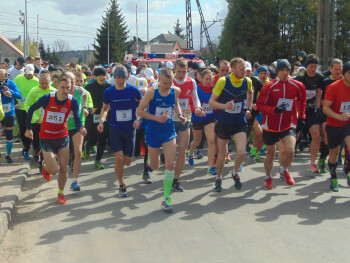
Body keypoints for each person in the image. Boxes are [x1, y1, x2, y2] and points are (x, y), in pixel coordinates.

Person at [25, 74, 86, 204]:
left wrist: (81, 128)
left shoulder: (72, 101)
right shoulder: (47, 98)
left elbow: (76, 117)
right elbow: (30, 109)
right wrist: (28, 128)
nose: (65, 91)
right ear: (57, 86)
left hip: (62, 137)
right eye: (63, 87)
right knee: (54, 170)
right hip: (46, 137)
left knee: (64, 168)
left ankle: (60, 193)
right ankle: (46, 166)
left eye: (68, 88)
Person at [137, 68, 186, 212]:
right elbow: (139, 111)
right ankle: (148, 166)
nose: (168, 86)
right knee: (156, 165)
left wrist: (180, 115)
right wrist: (156, 118)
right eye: (165, 83)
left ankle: (166, 198)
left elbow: (175, 104)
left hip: (168, 130)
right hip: (153, 131)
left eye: (170, 83)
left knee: (170, 163)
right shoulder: (152, 92)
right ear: (159, 79)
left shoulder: (175, 91)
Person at [256, 59, 306, 189]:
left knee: (290, 150)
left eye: (287, 70)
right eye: (282, 70)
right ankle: (268, 177)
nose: (285, 73)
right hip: (270, 125)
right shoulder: (269, 86)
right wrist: (274, 110)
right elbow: (260, 106)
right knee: (270, 154)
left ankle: (284, 169)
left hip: (288, 124)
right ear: (278, 71)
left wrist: (301, 117)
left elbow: (302, 102)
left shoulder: (297, 85)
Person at [209, 57, 253, 192]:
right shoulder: (223, 81)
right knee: (222, 154)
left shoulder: (247, 81)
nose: (244, 71)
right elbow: (211, 102)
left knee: (241, 151)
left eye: (245, 69)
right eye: (241, 69)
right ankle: (219, 177)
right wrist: (225, 106)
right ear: (233, 70)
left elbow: (250, 92)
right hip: (224, 122)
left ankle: (234, 173)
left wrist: (249, 108)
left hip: (239, 121)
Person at [98, 65, 142, 197]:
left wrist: (138, 118)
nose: (120, 80)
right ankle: (122, 184)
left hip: (130, 129)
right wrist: (101, 122)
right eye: (117, 77)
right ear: (114, 77)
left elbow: (142, 103)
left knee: (128, 161)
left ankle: (122, 167)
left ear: (126, 77)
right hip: (115, 129)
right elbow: (105, 108)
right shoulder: (109, 92)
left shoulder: (133, 90)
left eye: (122, 77)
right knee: (118, 158)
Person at [172, 58, 204, 192]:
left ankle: (176, 179)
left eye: (184, 71)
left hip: (185, 119)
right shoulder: (170, 81)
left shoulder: (191, 82)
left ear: (187, 70)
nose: (181, 74)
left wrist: (198, 108)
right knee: (172, 151)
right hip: (170, 120)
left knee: (183, 149)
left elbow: (195, 98)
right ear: (174, 70)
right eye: (178, 71)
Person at [323, 61, 350, 191]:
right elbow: (325, 108)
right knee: (334, 154)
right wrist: (338, 116)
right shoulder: (333, 87)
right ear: (344, 73)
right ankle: (333, 176)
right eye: (349, 73)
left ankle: (348, 170)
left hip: (348, 124)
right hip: (334, 124)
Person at [295, 54, 324, 174]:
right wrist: (296, 111)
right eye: (311, 66)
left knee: (316, 134)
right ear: (307, 66)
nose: (313, 69)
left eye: (315, 66)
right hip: (299, 107)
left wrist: (318, 108)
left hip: (311, 108)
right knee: (295, 135)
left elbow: (318, 93)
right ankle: (288, 156)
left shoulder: (319, 77)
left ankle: (312, 163)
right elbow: (295, 96)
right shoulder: (299, 77)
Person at [188, 69, 217, 175]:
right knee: (197, 142)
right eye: (206, 79)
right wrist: (196, 110)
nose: (209, 81)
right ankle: (190, 152)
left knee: (211, 140)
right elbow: (191, 103)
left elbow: (216, 104)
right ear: (202, 78)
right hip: (197, 118)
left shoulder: (214, 89)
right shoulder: (197, 89)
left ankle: (210, 167)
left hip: (209, 118)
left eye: (210, 79)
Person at [24, 70, 56, 168]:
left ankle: (43, 162)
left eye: (46, 83)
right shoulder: (34, 91)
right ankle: (36, 151)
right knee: (37, 141)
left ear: (49, 82)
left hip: (48, 122)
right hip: (36, 121)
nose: (44, 85)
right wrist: (35, 117)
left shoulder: (53, 91)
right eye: (42, 83)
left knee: (45, 143)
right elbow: (27, 105)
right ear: (39, 82)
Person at [317, 59, 343, 173]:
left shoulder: (345, 81)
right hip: (326, 114)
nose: (338, 71)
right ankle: (323, 158)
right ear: (331, 69)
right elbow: (319, 95)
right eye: (336, 69)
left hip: (340, 114)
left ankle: (339, 160)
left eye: (340, 69)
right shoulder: (325, 81)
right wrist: (319, 106)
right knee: (327, 139)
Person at [82, 67, 111, 169]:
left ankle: (98, 160)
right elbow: (83, 100)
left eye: (104, 75)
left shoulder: (108, 86)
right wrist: (89, 109)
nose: (102, 77)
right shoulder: (89, 87)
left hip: (105, 115)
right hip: (92, 115)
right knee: (93, 137)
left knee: (103, 139)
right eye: (100, 75)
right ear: (95, 77)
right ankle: (88, 145)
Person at [66, 72, 89, 191]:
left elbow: (85, 95)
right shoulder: (58, 92)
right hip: (63, 127)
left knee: (79, 152)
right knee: (62, 157)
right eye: (70, 83)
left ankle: (74, 181)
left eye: (74, 83)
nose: (72, 86)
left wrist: (84, 107)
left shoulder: (79, 90)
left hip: (78, 125)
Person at [14, 64, 39, 160]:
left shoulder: (36, 81)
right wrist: (15, 102)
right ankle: (25, 145)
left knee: (30, 129)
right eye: (28, 73)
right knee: (22, 128)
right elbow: (14, 91)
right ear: (24, 70)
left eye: (31, 74)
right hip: (20, 108)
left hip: (31, 109)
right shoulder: (18, 79)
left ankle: (28, 149)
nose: (29, 75)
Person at [0, 69, 22, 163]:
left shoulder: (11, 83)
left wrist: (10, 92)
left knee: (9, 135)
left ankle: (8, 155)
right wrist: (2, 93)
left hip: (9, 113)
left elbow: (19, 95)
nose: (2, 82)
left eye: (3, 79)